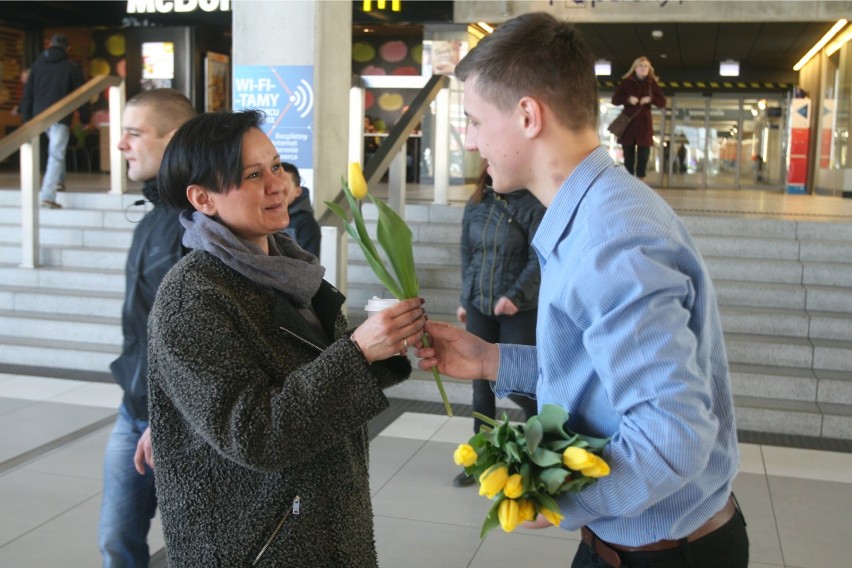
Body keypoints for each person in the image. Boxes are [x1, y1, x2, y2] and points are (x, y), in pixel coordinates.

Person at [415, 13, 748, 568]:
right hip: (631, 542)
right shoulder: (598, 211)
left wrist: (552, 499)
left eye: (474, 120)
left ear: (527, 116)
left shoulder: (610, 239)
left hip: (661, 553)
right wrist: (496, 361)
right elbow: (605, 372)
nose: (469, 139)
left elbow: (674, 438)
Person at [147, 109, 426, 567]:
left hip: (322, 521)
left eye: (276, 166)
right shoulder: (193, 297)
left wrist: (382, 344)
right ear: (203, 198)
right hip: (259, 544)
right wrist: (358, 353)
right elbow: (253, 434)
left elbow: (314, 376)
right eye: (253, 175)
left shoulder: (290, 269)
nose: (277, 184)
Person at [98, 88, 196, 568]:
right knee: (116, 541)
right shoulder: (153, 219)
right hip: (132, 408)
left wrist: (169, 417)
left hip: (177, 421)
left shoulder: (199, 225)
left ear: (173, 139)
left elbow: (200, 340)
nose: (121, 146)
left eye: (134, 134)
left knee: (194, 547)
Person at [453, 162, 544, 488]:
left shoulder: (534, 204)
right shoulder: (477, 202)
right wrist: (466, 297)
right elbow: (468, 251)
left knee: (521, 385)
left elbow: (539, 258)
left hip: (517, 309)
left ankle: (542, 453)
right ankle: (482, 458)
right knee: (481, 385)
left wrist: (516, 295)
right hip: (480, 304)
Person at [20, 34, 89, 209]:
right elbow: (81, 95)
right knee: (56, 153)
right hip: (60, 115)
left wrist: (27, 118)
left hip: (39, 116)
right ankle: (48, 196)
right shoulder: (72, 67)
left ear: (50, 45)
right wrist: (85, 117)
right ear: (68, 49)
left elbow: (28, 93)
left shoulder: (37, 66)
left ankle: (59, 181)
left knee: (55, 150)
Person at [611, 56, 666, 180]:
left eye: (646, 66)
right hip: (628, 124)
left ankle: (640, 184)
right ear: (635, 68)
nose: (643, 68)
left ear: (649, 69)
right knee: (628, 158)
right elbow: (615, 100)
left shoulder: (652, 84)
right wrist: (628, 99)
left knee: (643, 157)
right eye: (641, 66)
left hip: (644, 125)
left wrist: (650, 99)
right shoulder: (626, 83)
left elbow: (662, 102)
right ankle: (629, 183)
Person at [281, 162, 321, 257]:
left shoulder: (306, 223)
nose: (279, 188)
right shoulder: (262, 216)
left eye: (285, 184)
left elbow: (308, 265)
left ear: (298, 191)